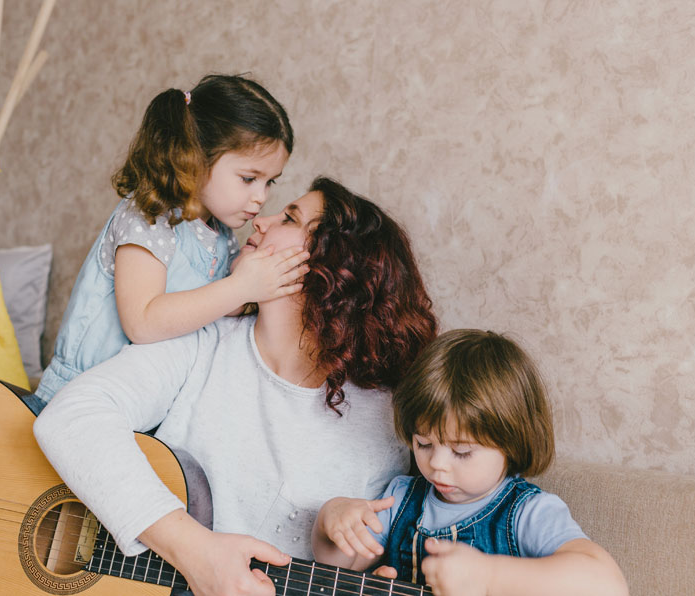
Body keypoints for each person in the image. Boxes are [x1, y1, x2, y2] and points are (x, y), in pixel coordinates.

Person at [34, 176, 439, 596]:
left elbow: (346, 560)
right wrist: (193, 551)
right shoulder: (204, 341)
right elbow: (71, 415)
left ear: (332, 265)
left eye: (289, 218)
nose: (260, 221)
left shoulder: (385, 421)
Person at [35, 74, 309, 404]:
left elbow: (209, 308)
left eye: (270, 183)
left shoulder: (222, 237)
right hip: (78, 396)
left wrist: (258, 286)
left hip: (145, 406)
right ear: (196, 157)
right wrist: (240, 287)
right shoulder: (150, 215)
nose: (261, 197)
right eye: (249, 178)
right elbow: (142, 322)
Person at [312, 329, 629, 596]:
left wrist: (489, 577)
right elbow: (337, 567)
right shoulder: (400, 498)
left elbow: (608, 586)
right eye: (424, 443)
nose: (437, 464)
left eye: (462, 451)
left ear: (512, 443)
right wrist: (330, 522)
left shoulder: (528, 513)